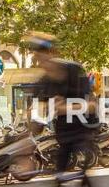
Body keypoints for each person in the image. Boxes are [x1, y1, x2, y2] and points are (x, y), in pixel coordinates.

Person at [26, 33, 97, 175]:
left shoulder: (75, 70)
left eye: (43, 55)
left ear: (53, 53)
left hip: (84, 128)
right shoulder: (44, 81)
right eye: (37, 57)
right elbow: (36, 111)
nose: (41, 61)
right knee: (59, 174)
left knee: (84, 171)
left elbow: (92, 106)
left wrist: (63, 108)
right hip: (64, 132)